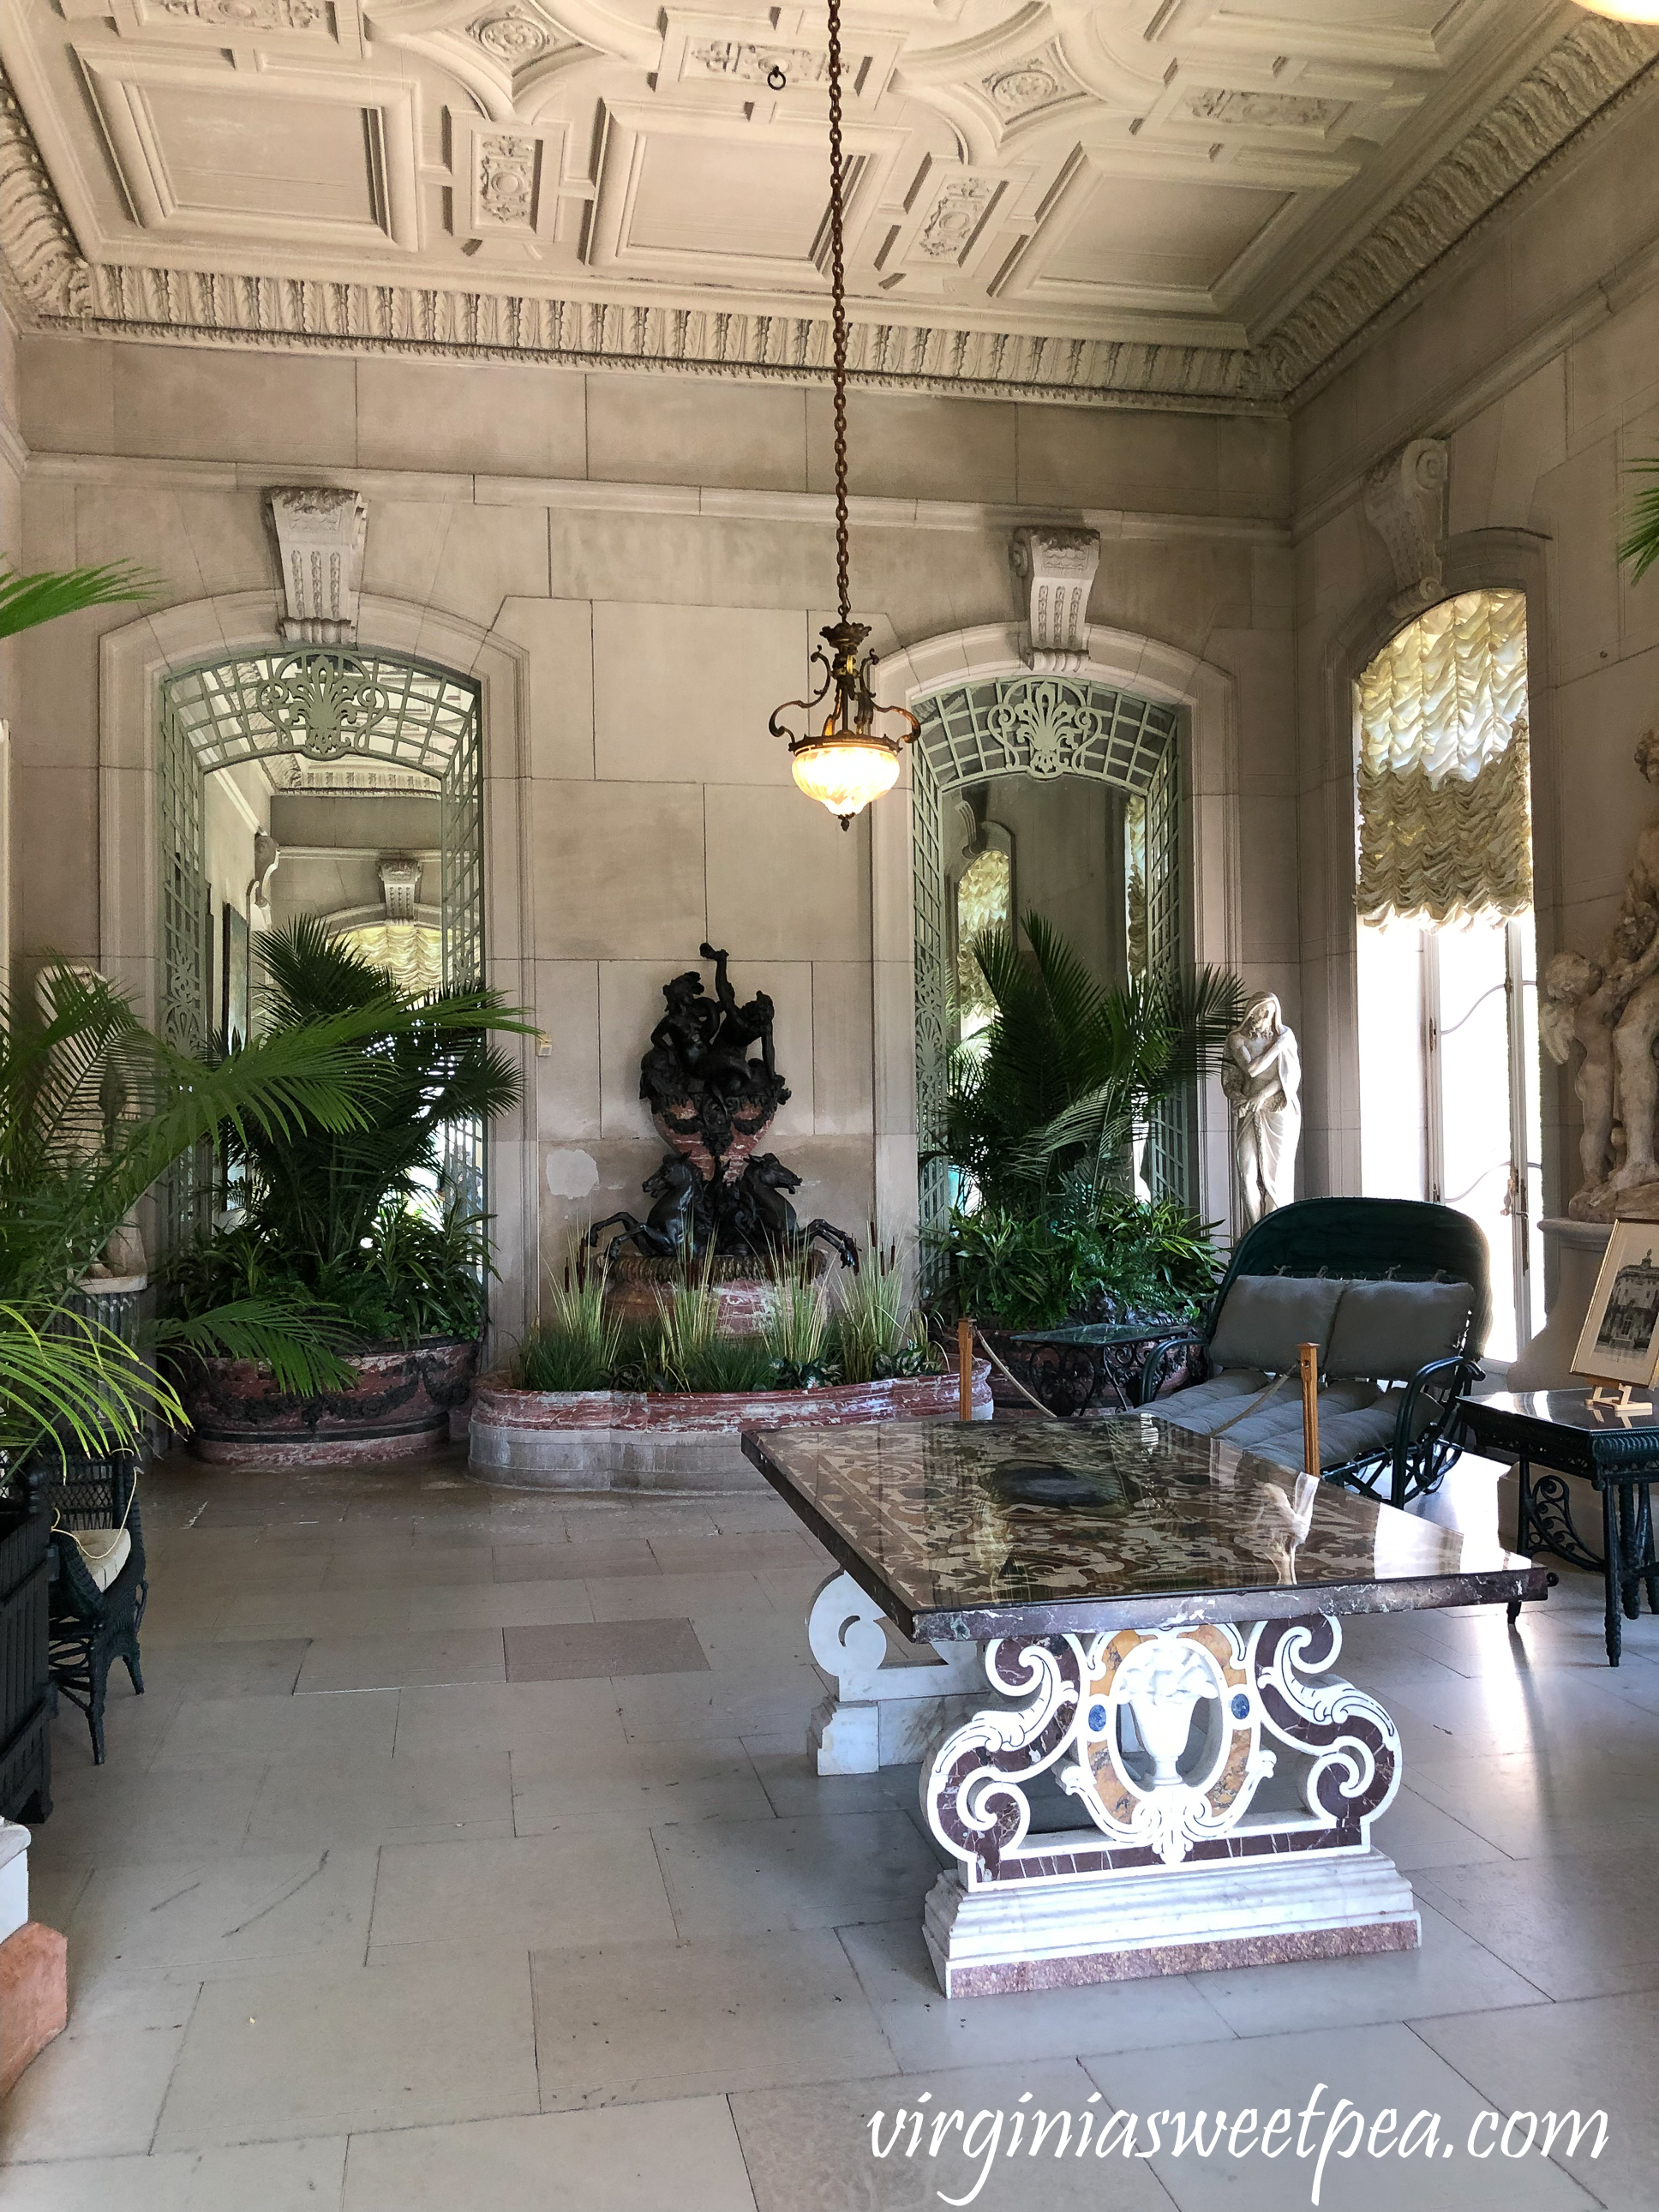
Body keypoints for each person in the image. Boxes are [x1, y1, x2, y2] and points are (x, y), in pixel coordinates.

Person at [1220, 992, 1302, 1228]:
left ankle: (1273, 1234)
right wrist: (1278, 1046)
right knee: (1246, 1172)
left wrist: (1263, 1095)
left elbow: (1288, 1078)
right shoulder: (1237, 1039)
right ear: (1251, 1012)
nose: (1264, 1017)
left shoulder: (1284, 1036)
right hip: (1249, 1109)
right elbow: (1252, 1070)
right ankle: (1255, 1233)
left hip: (1278, 1110)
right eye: (1260, 1011)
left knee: (1276, 1178)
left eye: (1269, 1013)